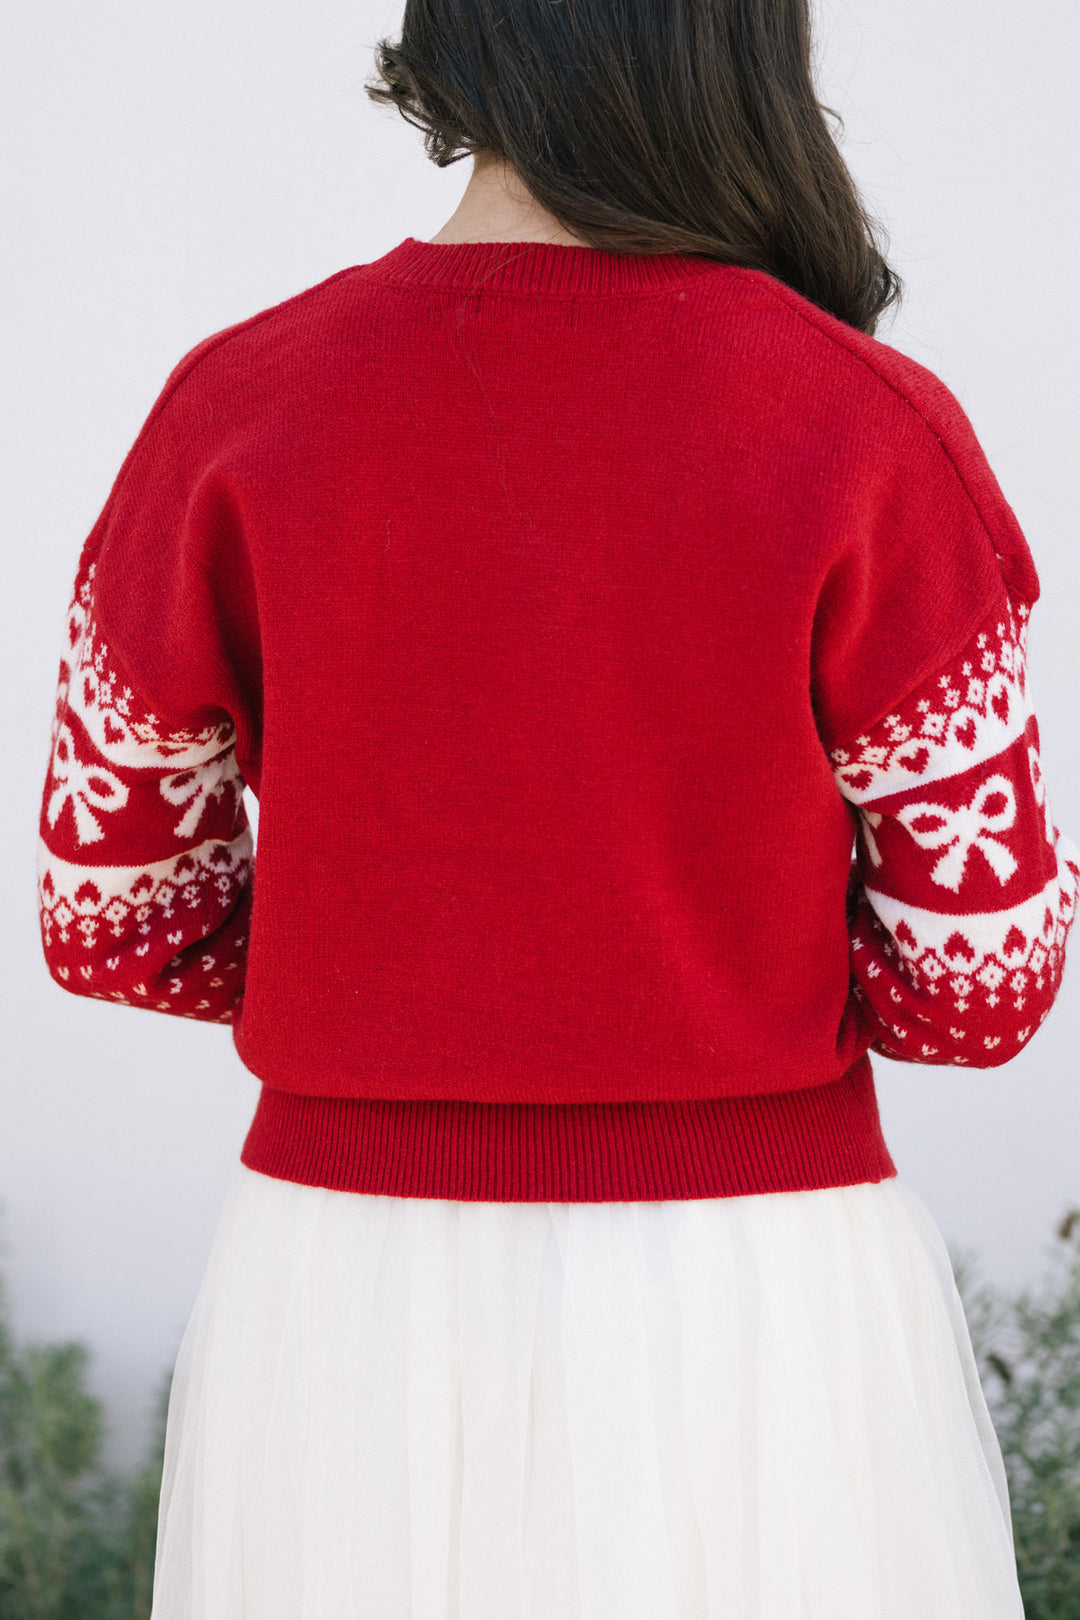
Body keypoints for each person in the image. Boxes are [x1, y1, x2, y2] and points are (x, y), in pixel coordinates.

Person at [35, 0, 1078, 1614]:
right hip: (755, 1292)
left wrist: (391, 983)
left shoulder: (237, 406)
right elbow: (984, 977)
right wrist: (707, 988)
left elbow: (109, 913)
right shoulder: (865, 428)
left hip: (339, 1295)